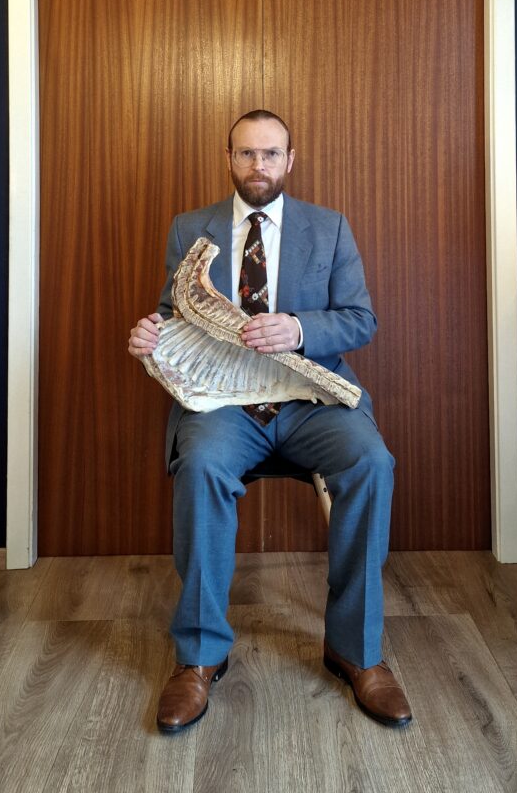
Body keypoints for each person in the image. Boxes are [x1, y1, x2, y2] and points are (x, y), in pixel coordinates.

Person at [128, 109, 412, 733]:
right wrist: (152, 334)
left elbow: (361, 320)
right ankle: (199, 657)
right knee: (201, 465)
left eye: (271, 153)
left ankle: (356, 651)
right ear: (228, 158)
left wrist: (299, 329)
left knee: (371, 462)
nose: (259, 165)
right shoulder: (190, 227)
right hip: (225, 407)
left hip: (310, 401)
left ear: (290, 159)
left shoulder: (329, 227)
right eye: (247, 153)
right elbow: (173, 313)